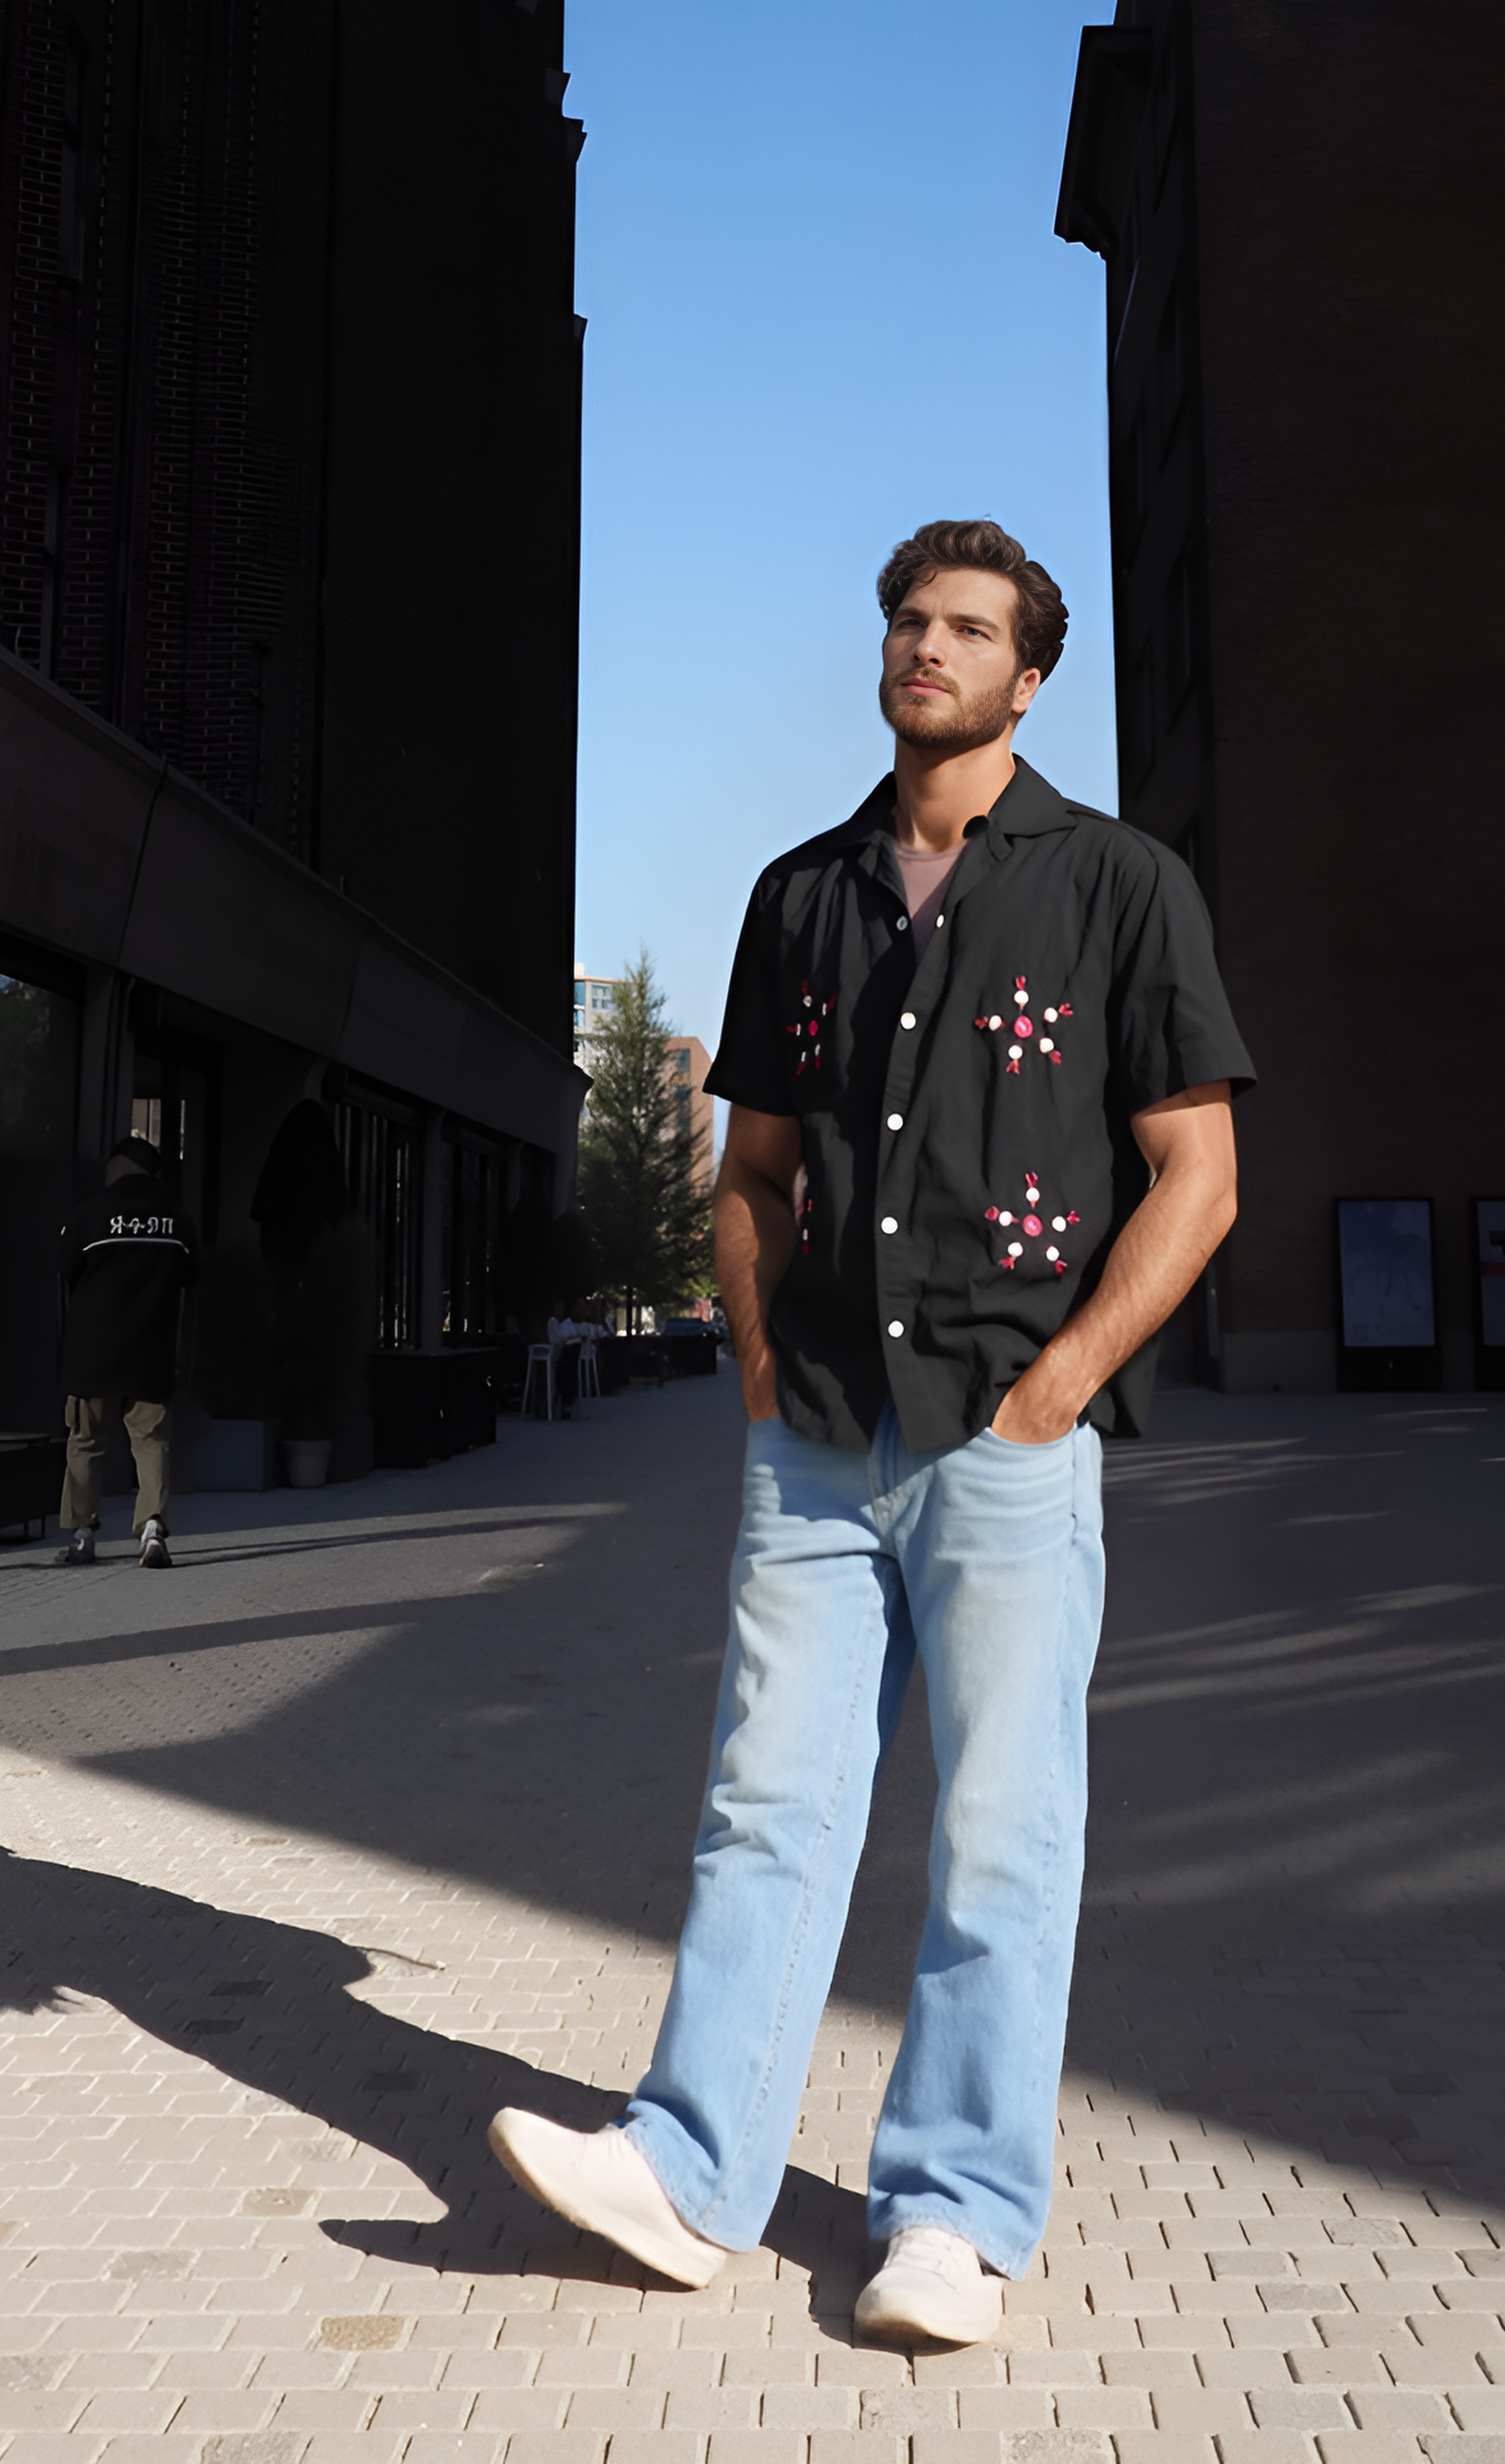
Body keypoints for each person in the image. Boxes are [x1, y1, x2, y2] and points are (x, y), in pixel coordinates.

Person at [488, 518, 1254, 2345]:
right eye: (910, 619)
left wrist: (1061, 1385)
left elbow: (1200, 1175)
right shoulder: (802, 894)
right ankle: (689, 2171)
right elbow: (748, 1173)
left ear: (1029, 674)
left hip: (1004, 1436)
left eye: (968, 627)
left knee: (1001, 1831)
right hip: (817, 1434)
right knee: (769, 1808)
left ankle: (952, 2214)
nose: (927, 646)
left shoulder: (1121, 883)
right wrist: (755, 1357)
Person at [53, 1133, 200, 1568]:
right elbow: (192, 1280)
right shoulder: (178, 1221)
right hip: (150, 1351)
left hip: (91, 1352)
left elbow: (65, 1271)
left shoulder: (89, 1216)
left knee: (84, 1440)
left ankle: (82, 1535)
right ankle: (152, 1529)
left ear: (118, 1167)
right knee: (151, 1440)